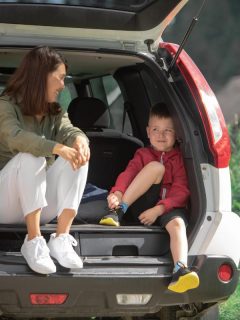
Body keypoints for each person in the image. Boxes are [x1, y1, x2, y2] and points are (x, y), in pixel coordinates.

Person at [0, 46, 90, 275]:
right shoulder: (6, 105)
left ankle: (61, 238)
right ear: (41, 76)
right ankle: (33, 241)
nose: (63, 85)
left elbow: (69, 130)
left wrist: (80, 140)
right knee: (31, 155)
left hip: (40, 205)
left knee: (78, 156)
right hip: (6, 203)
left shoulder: (54, 110)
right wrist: (57, 147)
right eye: (59, 78)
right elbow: (16, 138)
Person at [99, 103, 199, 293]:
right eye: (156, 130)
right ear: (147, 131)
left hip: (166, 207)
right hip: (140, 204)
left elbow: (181, 190)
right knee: (156, 168)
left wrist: (159, 209)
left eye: (168, 130)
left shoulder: (179, 158)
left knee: (178, 223)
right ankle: (118, 211)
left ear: (177, 133)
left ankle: (180, 270)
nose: (161, 135)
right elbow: (128, 175)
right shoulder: (142, 154)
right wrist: (117, 193)